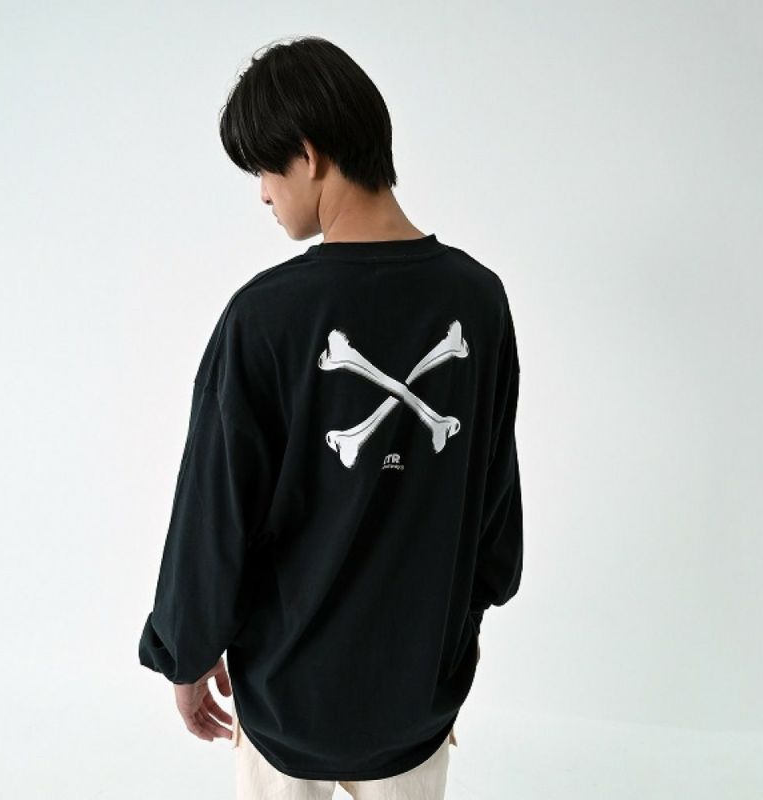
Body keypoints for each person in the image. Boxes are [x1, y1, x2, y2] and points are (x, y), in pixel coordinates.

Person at [138, 35, 522, 799]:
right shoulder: (479, 303)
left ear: (309, 156)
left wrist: (186, 651)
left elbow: (214, 515)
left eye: (264, 169)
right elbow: (493, 516)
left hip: (287, 702)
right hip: (418, 698)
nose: (262, 193)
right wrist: (455, 635)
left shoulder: (265, 318)